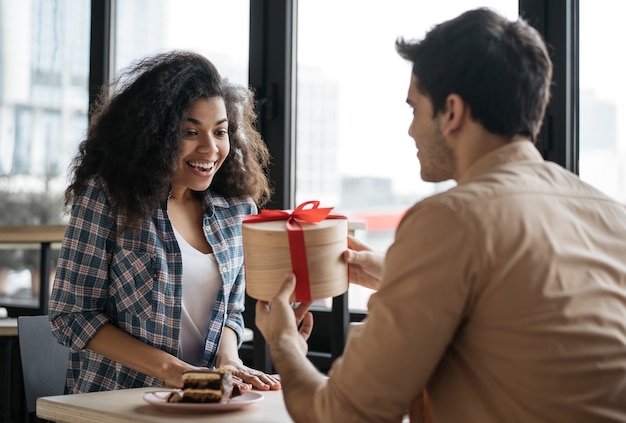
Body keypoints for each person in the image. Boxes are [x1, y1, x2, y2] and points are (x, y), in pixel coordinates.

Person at [255, 7, 626, 422]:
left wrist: (283, 341)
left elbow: (341, 415)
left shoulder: (449, 220)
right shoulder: (613, 216)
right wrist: (398, 275)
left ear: (452, 111)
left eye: (415, 109)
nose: (411, 129)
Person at [49, 50, 281, 394]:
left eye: (220, 132)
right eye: (190, 132)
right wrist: (172, 370)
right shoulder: (109, 197)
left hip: (201, 402)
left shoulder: (237, 208)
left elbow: (231, 311)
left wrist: (228, 360)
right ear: (154, 133)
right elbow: (71, 317)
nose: (210, 148)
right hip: (116, 401)